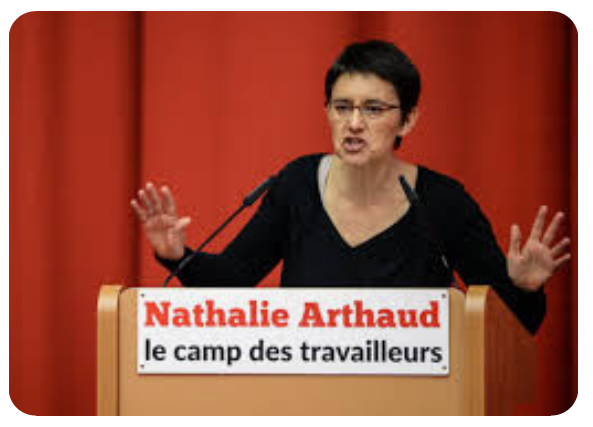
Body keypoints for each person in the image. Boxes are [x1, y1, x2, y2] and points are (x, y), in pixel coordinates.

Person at [130, 40, 570, 335]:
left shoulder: (444, 203)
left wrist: (523, 289)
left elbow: (513, 328)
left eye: (373, 109)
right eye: (342, 107)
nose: (354, 123)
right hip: (305, 399)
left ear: (408, 120)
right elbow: (234, 281)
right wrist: (178, 255)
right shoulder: (297, 185)